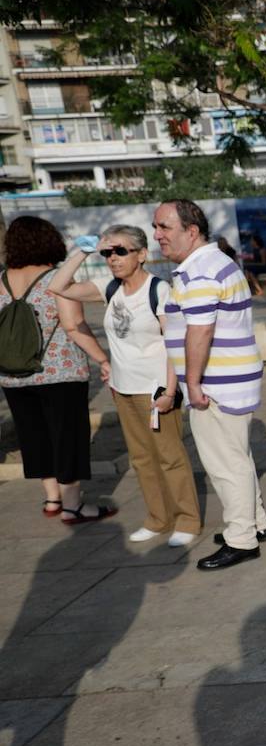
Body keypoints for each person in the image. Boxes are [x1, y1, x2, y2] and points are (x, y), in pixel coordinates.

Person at [48, 224, 200, 545]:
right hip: (122, 387)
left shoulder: (159, 290)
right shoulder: (109, 287)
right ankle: (158, 519)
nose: (113, 259)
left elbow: (175, 342)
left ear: (142, 254)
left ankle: (187, 520)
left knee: (169, 456)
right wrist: (84, 251)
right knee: (142, 459)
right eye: (108, 253)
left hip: (156, 389)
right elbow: (58, 286)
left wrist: (171, 390)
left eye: (120, 251)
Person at [155, 199, 266, 571]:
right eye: (156, 228)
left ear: (191, 231)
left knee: (225, 463)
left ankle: (242, 538)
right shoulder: (210, 263)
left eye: (164, 228)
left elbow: (200, 331)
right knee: (237, 456)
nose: (157, 236)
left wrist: (192, 384)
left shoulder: (201, 270)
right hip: (228, 378)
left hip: (216, 383)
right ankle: (255, 523)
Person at [0, 216, 117, 524]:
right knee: (68, 437)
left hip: (13, 373)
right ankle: (73, 505)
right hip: (61, 372)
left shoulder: (0, 280)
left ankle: (52, 498)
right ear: (48, 241)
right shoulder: (59, 279)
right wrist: (103, 359)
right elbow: (73, 326)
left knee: (34, 435)